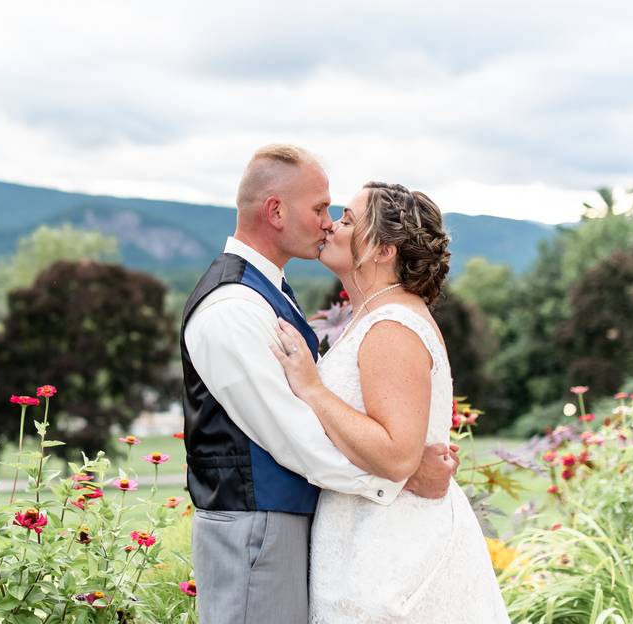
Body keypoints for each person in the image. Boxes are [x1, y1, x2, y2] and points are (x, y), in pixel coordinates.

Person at [180, 145, 458, 624]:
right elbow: (295, 435)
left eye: (339, 214)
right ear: (275, 210)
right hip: (254, 529)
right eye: (320, 209)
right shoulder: (232, 308)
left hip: (308, 529)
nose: (328, 222)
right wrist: (407, 472)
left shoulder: (274, 294)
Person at [271, 181, 509, 622]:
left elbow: (398, 456)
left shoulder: (392, 327)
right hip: (368, 537)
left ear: (384, 251)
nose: (331, 227)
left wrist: (312, 388)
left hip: (391, 555)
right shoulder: (379, 317)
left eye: (347, 220)